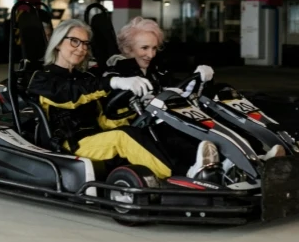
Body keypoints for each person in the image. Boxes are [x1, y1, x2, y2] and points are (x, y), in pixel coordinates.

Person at [27, 19, 217, 180]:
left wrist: (128, 110)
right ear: (59, 43)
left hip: (95, 137)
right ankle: (183, 176)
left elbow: (104, 120)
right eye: (74, 41)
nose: (81, 48)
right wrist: (114, 82)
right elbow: (70, 95)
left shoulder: (86, 78)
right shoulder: (43, 78)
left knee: (136, 129)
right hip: (71, 143)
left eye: (85, 44)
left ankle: (205, 165)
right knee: (123, 137)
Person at [108, 16, 286, 169]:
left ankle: (259, 156)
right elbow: (111, 108)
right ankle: (213, 166)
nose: (151, 54)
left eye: (154, 48)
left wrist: (199, 80)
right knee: (177, 134)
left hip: (171, 116)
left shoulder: (158, 71)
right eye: (144, 48)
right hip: (144, 126)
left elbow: (177, 92)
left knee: (215, 119)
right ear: (128, 49)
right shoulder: (116, 75)